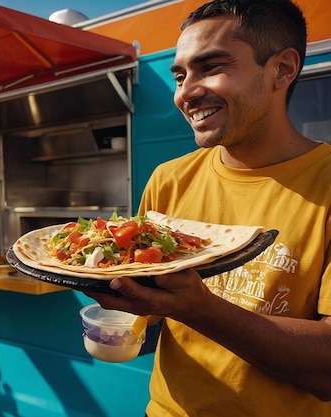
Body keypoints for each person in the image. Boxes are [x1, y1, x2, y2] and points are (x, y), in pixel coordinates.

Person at [87, 1, 331, 415]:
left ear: (283, 69)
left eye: (212, 67)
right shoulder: (168, 179)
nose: (185, 92)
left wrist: (198, 307)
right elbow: (157, 323)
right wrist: (122, 304)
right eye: (180, 75)